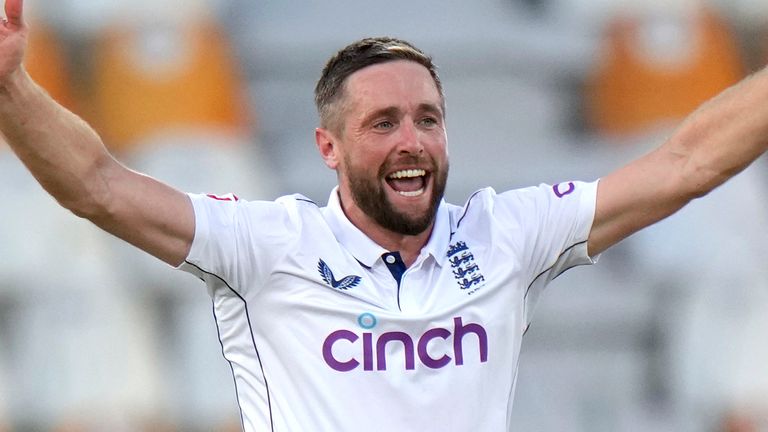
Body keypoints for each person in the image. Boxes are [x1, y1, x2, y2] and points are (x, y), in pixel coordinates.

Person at [1, 0, 767, 430]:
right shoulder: (270, 245)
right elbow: (96, 185)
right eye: (382, 123)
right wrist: (12, 89)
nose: (412, 143)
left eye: (427, 120)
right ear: (327, 148)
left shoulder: (504, 234)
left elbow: (688, 162)